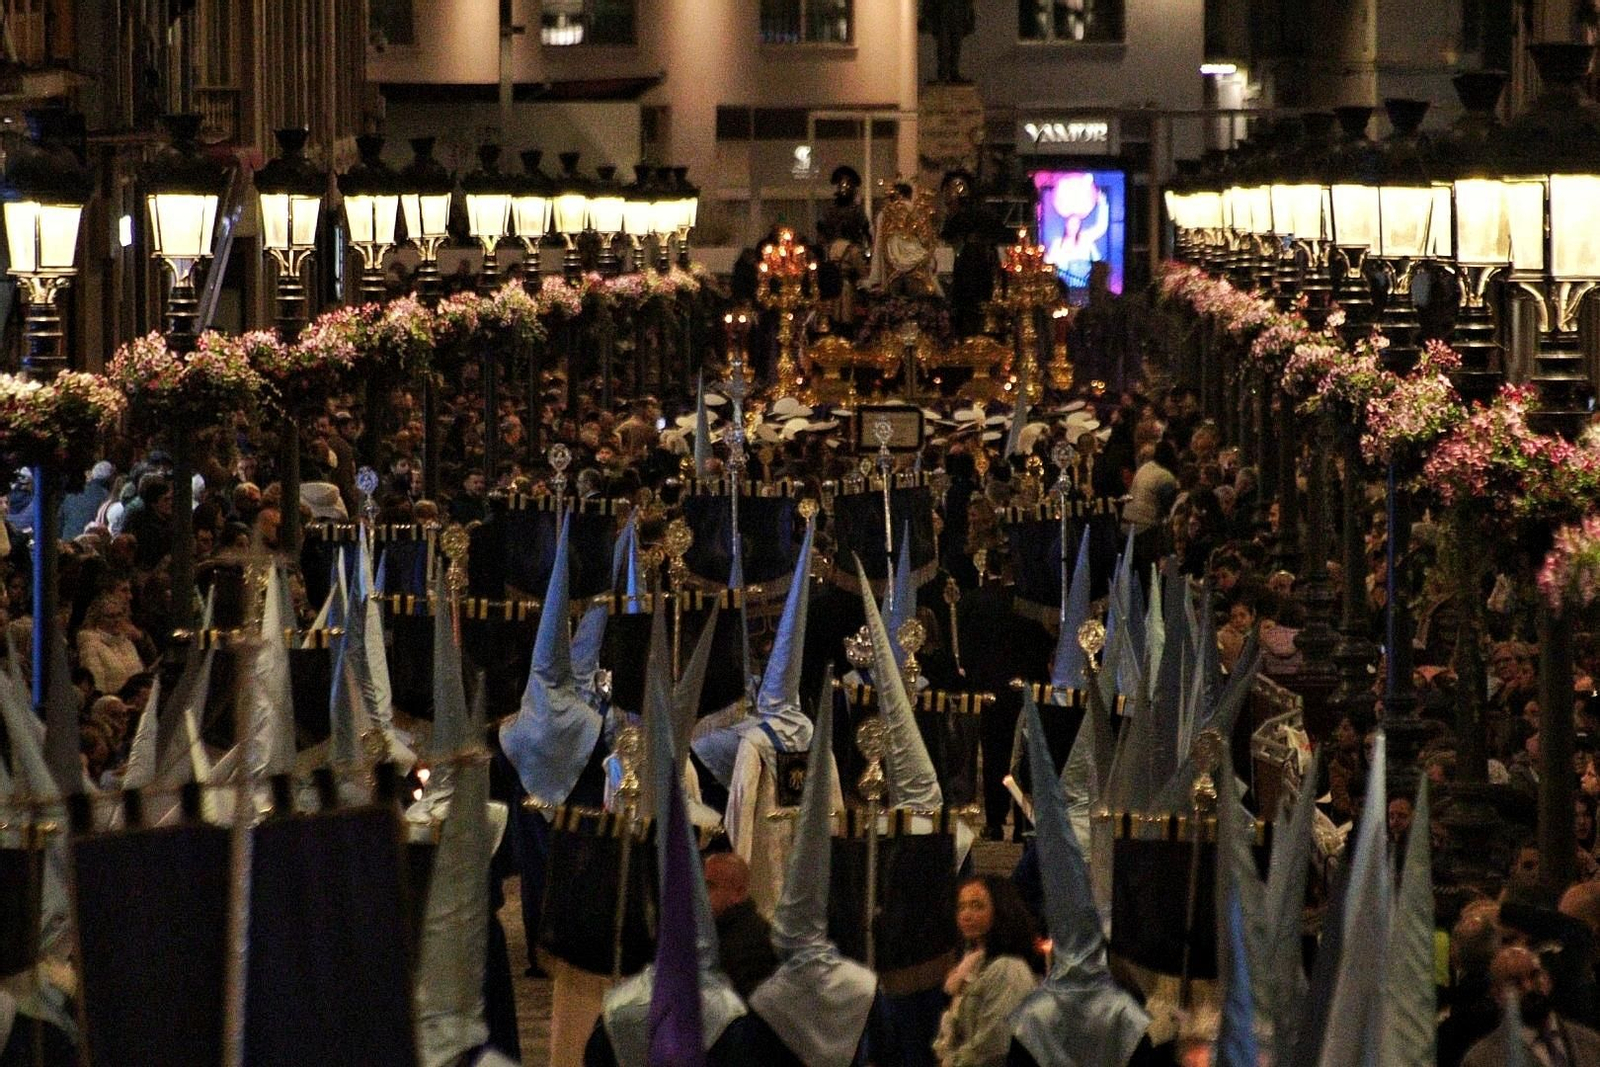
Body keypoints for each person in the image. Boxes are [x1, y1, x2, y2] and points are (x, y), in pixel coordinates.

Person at [933, 875, 1040, 1067]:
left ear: (1000, 911)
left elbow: (994, 1044)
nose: (966, 915)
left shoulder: (1008, 969)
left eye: (977, 906)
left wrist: (954, 1062)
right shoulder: (973, 964)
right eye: (962, 907)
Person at [1462, 945, 1600, 1066]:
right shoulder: (1481, 1060)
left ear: (1547, 979)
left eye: (1534, 975)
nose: (1528, 987)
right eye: (1515, 981)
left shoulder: (1592, 1043)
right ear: (1497, 995)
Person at [704, 852, 778, 1000]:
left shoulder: (752, 942)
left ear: (738, 892)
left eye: (709, 886)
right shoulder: (718, 928)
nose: (700, 894)